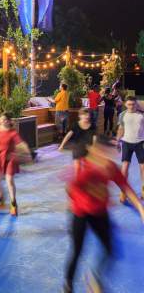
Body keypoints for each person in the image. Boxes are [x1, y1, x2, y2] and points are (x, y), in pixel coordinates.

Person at [63, 135, 144, 293]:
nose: (109, 156)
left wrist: (141, 210)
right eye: (105, 152)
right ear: (95, 151)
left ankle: (95, 278)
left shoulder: (110, 167)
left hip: (100, 213)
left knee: (109, 249)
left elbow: (125, 187)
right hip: (80, 213)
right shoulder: (84, 168)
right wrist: (90, 191)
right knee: (77, 251)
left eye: (111, 153)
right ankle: (68, 285)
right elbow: (70, 187)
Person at [116, 95, 144, 202]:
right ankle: (123, 191)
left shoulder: (141, 114)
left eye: (133, 104)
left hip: (140, 143)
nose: (131, 106)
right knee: (125, 167)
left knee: (143, 167)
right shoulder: (122, 115)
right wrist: (117, 141)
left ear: (136, 104)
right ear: (125, 104)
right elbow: (120, 129)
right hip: (126, 143)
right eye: (129, 104)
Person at [59, 108, 96, 172]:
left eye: (88, 115)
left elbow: (94, 137)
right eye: (84, 115)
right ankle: (79, 180)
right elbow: (68, 135)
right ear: (80, 116)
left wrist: (94, 147)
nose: (87, 116)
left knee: (88, 169)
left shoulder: (92, 125)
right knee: (78, 168)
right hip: (77, 148)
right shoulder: (75, 125)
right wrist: (61, 145)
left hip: (88, 148)